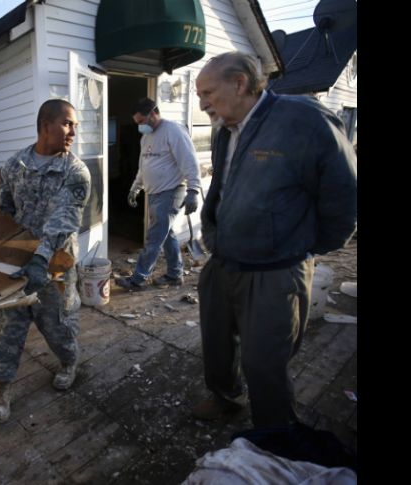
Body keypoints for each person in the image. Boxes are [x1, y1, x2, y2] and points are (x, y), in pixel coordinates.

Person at [191, 52, 357, 427]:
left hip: (275, 270)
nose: (202, 103)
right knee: (216, 346)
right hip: (224, 261)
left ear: (240, 84)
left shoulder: (304, 120)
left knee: (264, 359)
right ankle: (225, 397)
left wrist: (303, 248)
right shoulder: (225, 131)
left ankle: (275, 435)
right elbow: (222, 187)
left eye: (208, 93)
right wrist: (212, 232)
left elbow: (344, 196)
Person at [0, 99, 91, 423]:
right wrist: (2, 253)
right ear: (46, 125)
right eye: (68, 123)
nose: (74, 131)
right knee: (8, 329)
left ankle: (68, 362)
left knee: (58, 325)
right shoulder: (13, 165)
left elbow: (63, 222)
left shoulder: (76, 172)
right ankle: (2, 387)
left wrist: (40, 260)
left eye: (75, 124)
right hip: (19, 263)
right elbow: (3, 210)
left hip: (57, 264)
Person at [116, 97, 202, 290]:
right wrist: (135, 188)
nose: (139, 126)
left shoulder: (173, 131)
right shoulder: (146, 137)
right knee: (167, 234)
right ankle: (174, 274)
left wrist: (194, 189)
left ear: (153, 114)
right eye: (137, 123)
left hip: (171, 192)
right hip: (154, 194)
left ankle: (138, 279)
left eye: (141, 122)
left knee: (154, 237)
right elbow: (143, 166)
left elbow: (189, 161)